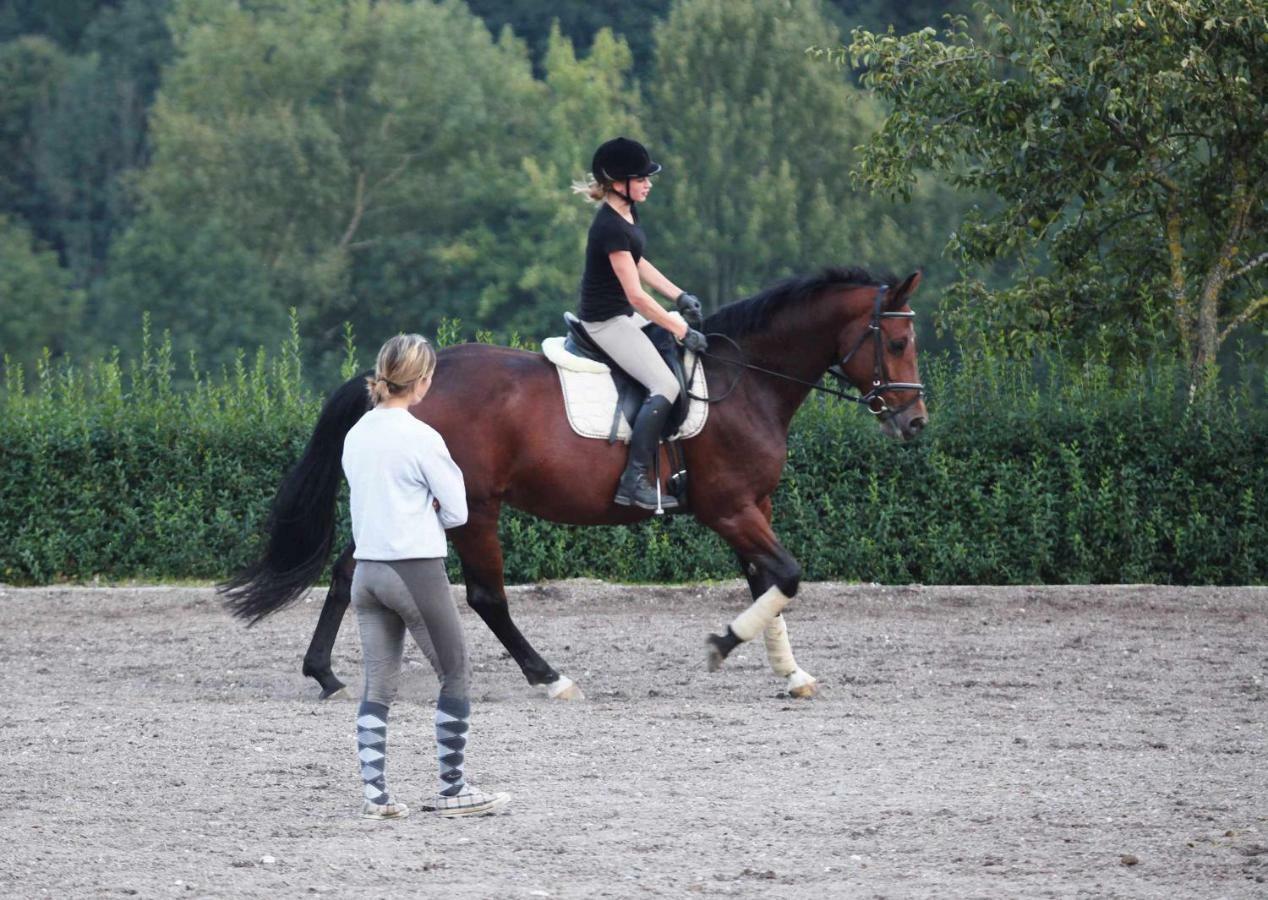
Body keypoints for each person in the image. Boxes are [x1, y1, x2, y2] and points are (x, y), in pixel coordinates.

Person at [340, 333, 511, 820]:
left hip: (366, 575)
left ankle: (377, 795)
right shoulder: (422, 438)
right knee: (455, 672)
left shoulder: (356, 434)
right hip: (414, 572)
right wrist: (428, 507)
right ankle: (453, 786)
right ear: (421, 382)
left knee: (378, 685)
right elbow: (457, 512)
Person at [574, 136, 709, 511]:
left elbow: (638, 262)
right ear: (619, 184)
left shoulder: (628, 214)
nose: (649, 183)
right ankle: (632, 480)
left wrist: (679, 296)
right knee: (665, 384)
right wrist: (679, 327)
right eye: (642, 178)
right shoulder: (610, 227)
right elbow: (635, 296)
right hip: (607, 322)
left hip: (625, 315)